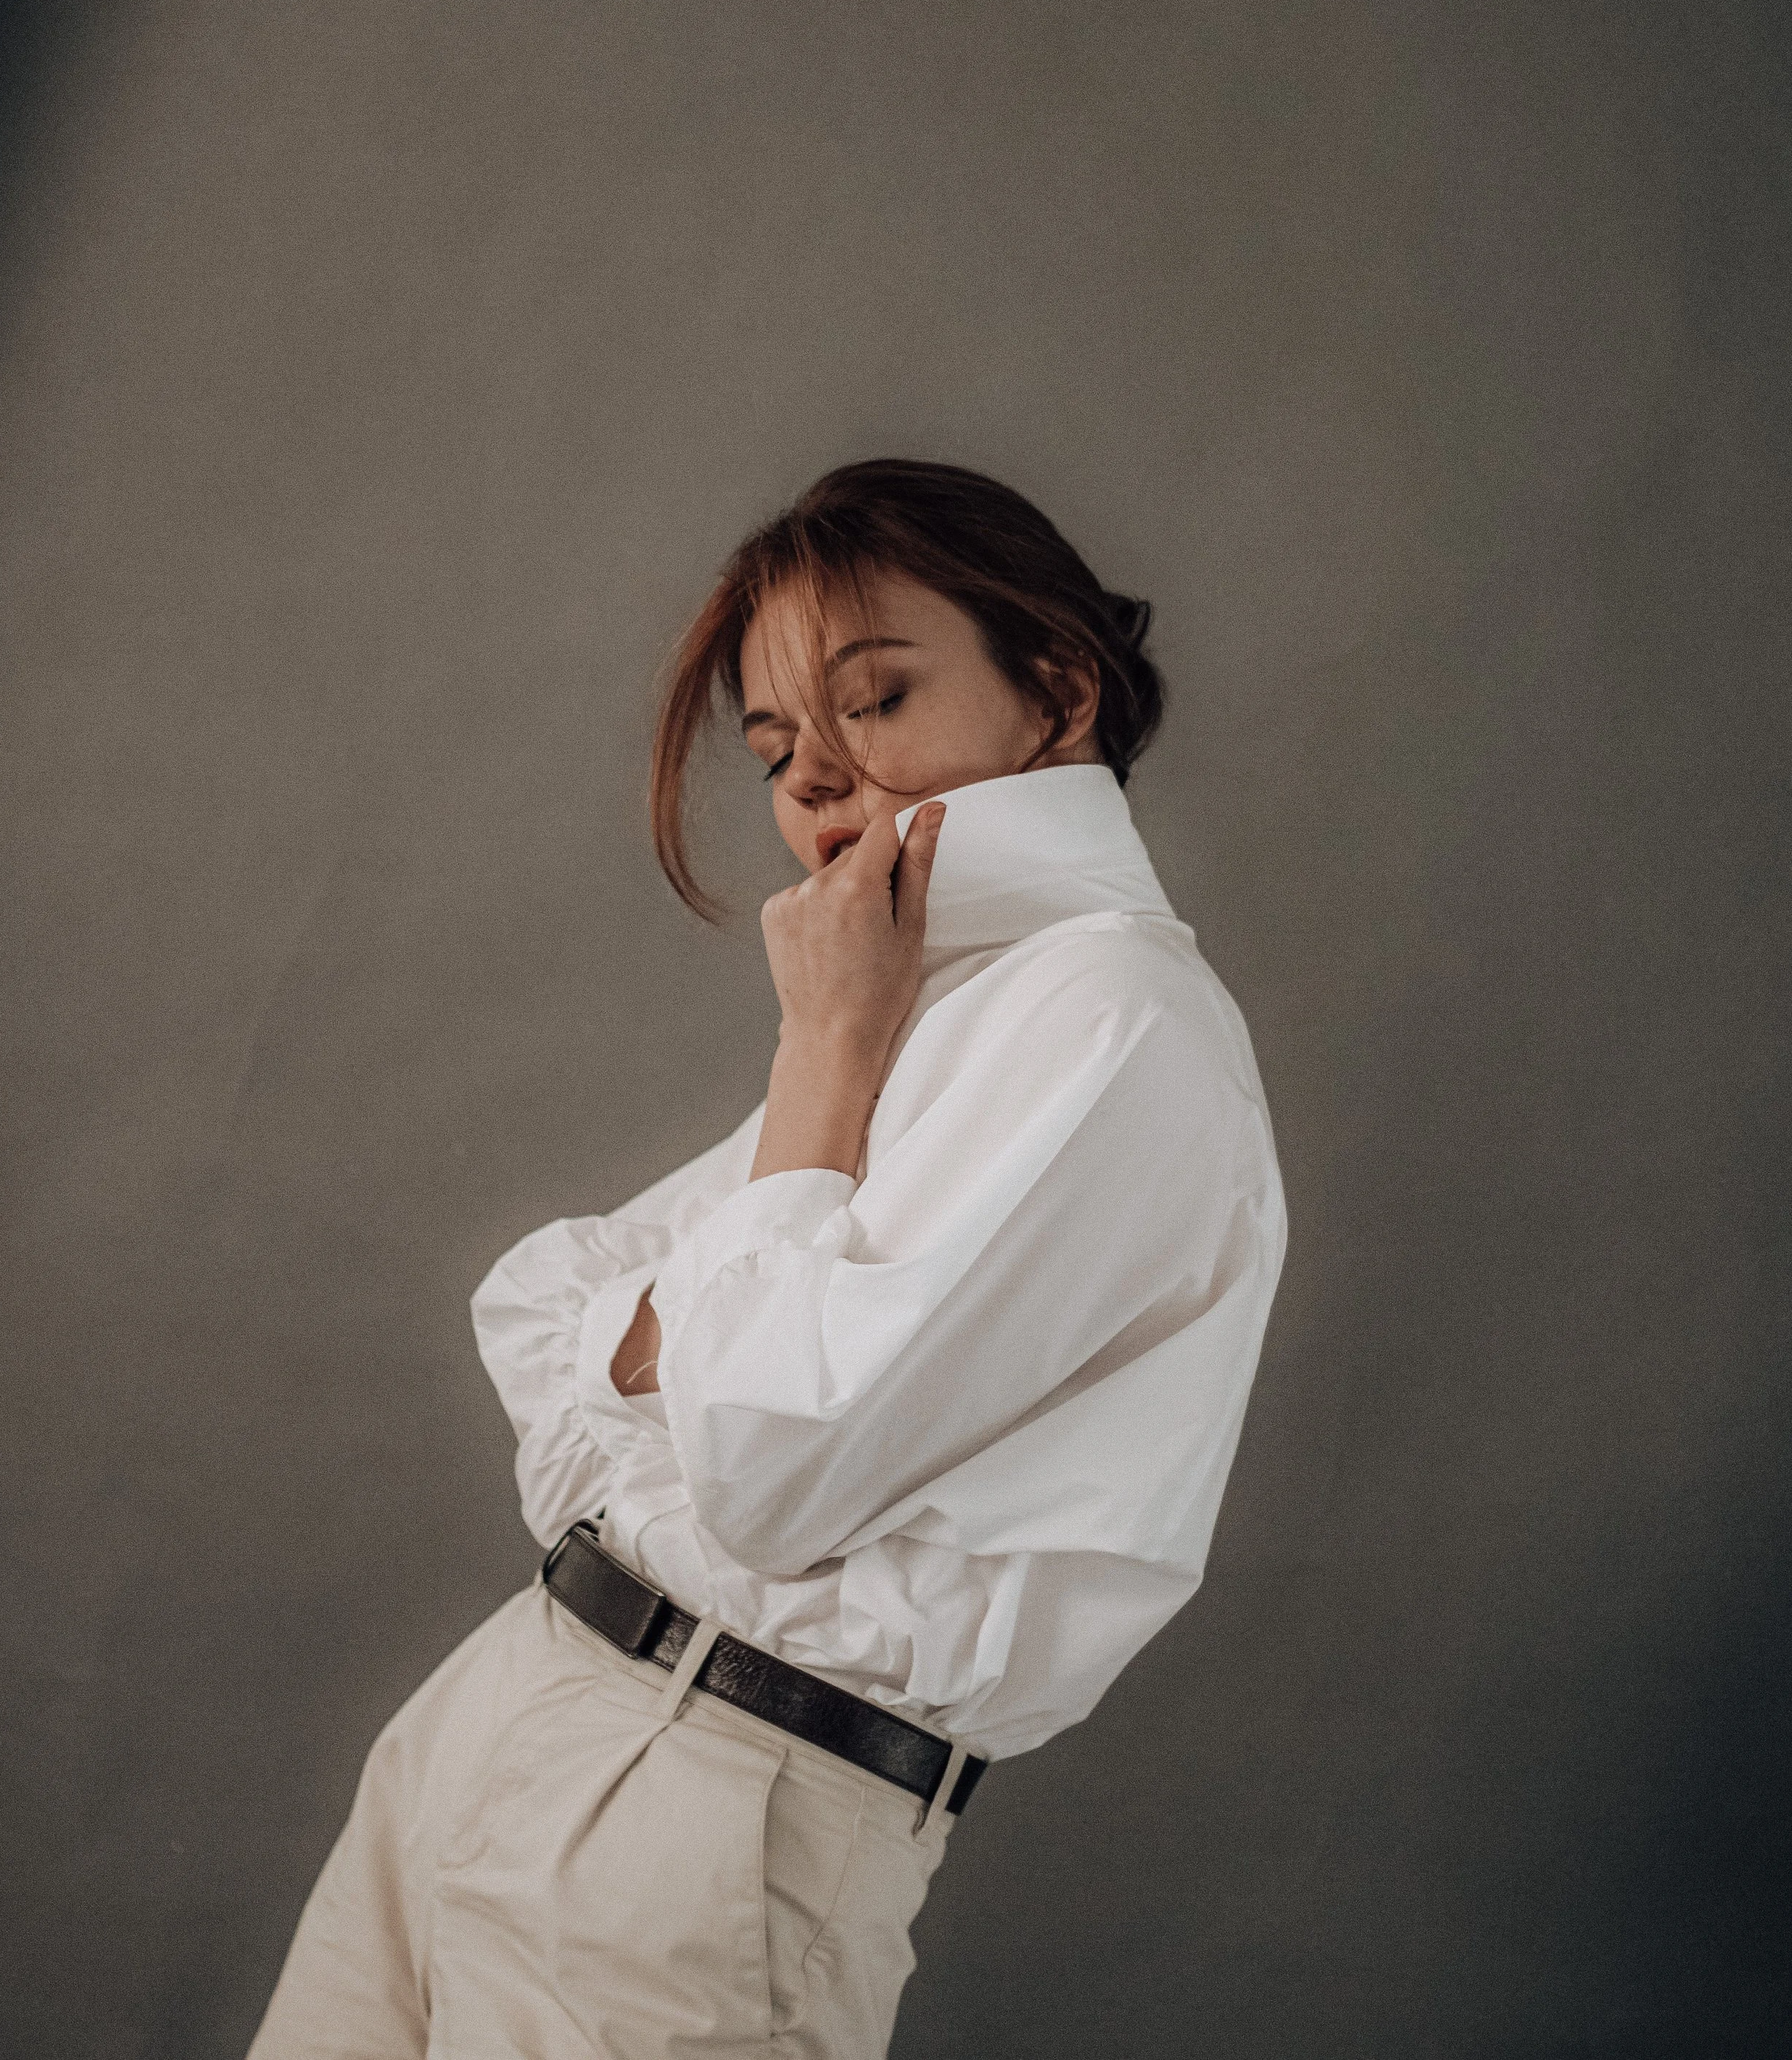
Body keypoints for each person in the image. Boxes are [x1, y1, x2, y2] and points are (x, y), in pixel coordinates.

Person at [245, 457, 1286, 2060]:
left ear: (1056, 691)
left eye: (872, 700)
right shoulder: (929, 1001)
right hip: (500, 1717)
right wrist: (692, 1346)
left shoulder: (1107, 1021)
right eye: (777, 749)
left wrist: (813, 1068)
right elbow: (536, 1302)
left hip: (714, 1819)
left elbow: (768, 1468)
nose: (816, 786)